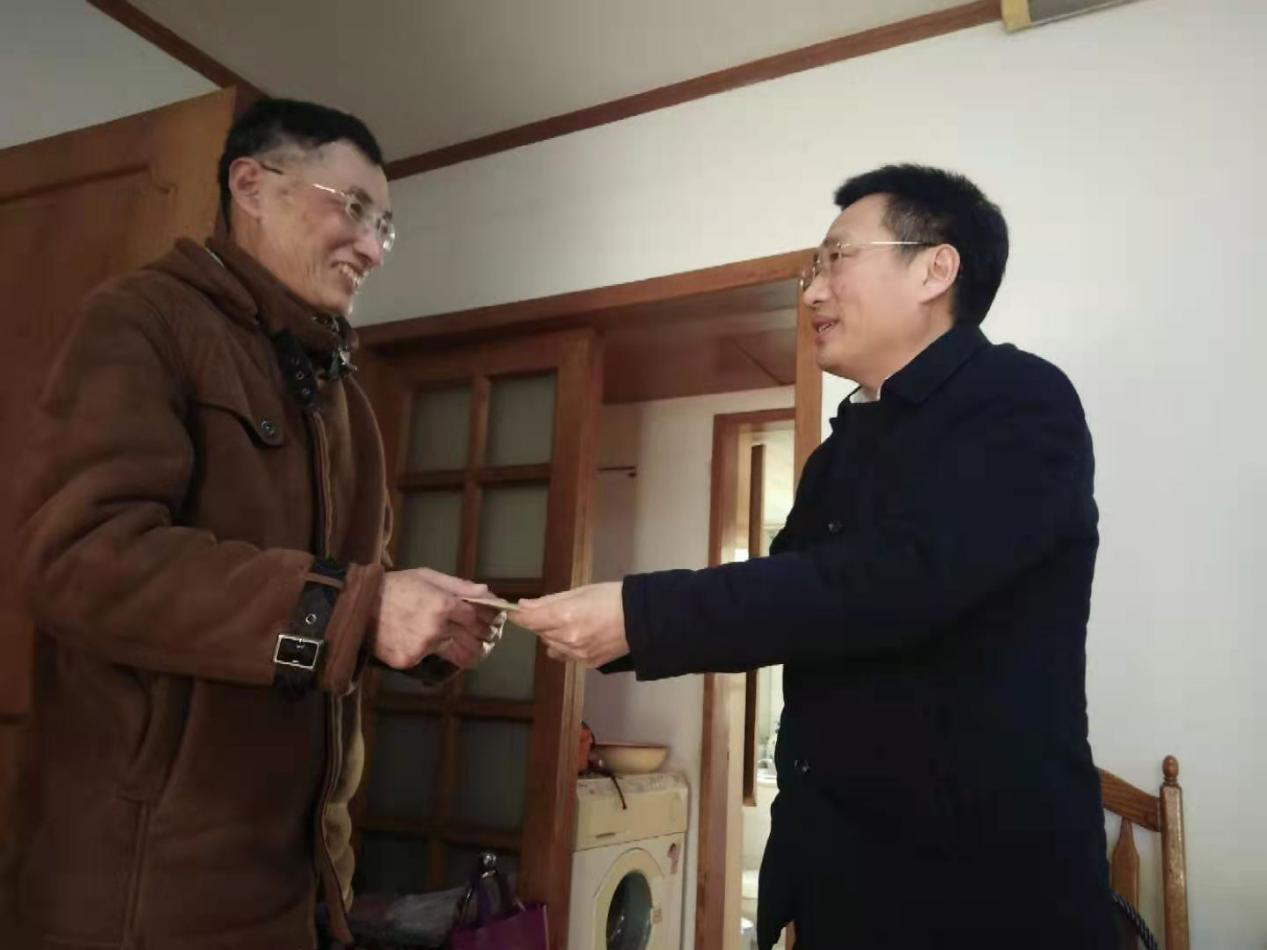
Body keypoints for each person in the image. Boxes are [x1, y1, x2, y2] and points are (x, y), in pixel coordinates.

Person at [514, 165, 1117, 948]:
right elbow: (788, 606)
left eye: (836, 258)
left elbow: (890, 583)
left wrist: (637, 613)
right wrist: (616, 626)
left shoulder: (1020, 399)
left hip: (981, 893)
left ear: (934, 268)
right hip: (842, 882)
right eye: (813, 266)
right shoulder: (837, 455)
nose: (811, 292)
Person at [7, 98, 498, 949]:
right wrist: (357, 609)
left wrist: (417, 630)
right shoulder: (142, 320)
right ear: (252, 185)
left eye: (385, 225)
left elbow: (347, 597)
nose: (373, 248)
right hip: (144, 891)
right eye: (353, 208)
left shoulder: (345, 398)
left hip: (303, 881)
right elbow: (77, 558)